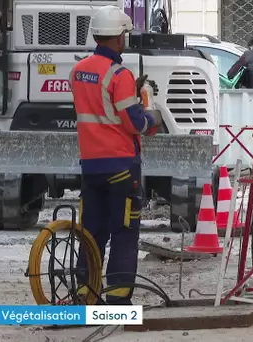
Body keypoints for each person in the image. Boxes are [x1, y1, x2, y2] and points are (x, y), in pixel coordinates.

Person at [70, 5, 162, 305]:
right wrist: (151, 116)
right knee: (123, 233)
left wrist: (126, 97)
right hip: (121, 166)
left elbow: (99, 106)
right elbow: (134, 124)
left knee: (92, 232)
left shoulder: (78, 70)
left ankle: (87, 295)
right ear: (120, 37)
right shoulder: (119, 74)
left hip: (91, 166)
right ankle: (118, 302)